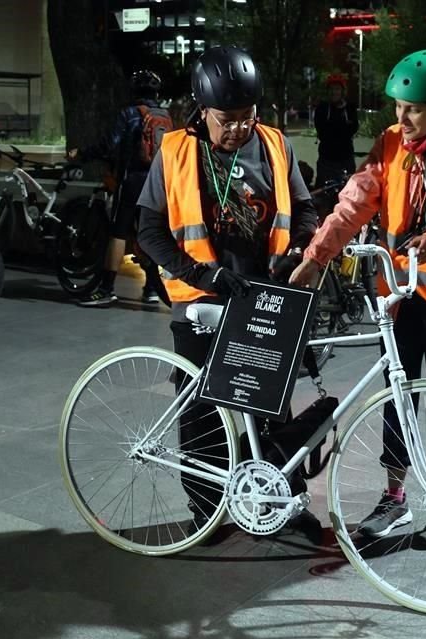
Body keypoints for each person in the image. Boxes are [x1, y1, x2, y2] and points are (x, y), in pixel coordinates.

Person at [289, 49, 426, 548]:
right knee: (398, 398)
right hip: (400, 298)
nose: (401, 117)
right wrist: (317, 255)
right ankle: (394, 499)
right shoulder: (392, 145)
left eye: (413, 108)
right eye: (398, 106)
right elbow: (355, 201)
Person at [136, 46, 319, 533]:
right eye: (227, 119)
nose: (239, 127)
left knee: (271, 403)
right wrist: (200, 274)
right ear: (202, 109)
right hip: (201, 300)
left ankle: (284, 497)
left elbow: (303, 210)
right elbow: (148, 231)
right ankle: (206, 510)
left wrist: (299, 247)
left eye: (246, 116)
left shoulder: (275, 145)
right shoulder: (174, 151)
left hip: (264, 296)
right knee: (201, 411)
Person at [73, 69, 174, 307]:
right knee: (148, 232)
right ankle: (150, 289)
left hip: (132, 179)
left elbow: (110, 144)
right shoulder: (166, 116)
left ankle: (107, 289)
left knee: (118, 233)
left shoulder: (129, 113)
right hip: (159, 182)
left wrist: (83, 155)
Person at [314, 74, 359, 186]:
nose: (334, 92)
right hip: (326, 160)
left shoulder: (350, 108)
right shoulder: (322, 108)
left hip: (346, 159)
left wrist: (335, 129)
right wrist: (341, 128)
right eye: (331, 89)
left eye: (337, 89)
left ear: (343, 91)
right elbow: (322, 133)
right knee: (324, 194)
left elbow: (353, 129)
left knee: (348, 193)